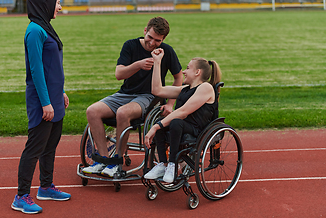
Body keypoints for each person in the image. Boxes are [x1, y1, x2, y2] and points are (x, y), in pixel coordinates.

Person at [83, 17, 183, 177]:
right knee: (92, 111)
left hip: (149, 97)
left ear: (163, 39)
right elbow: (118, 74)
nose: (152, 43)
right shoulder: (130, 45)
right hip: (125, 93)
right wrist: (138, 65)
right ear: (145, 31)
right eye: (150, 37)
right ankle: (102, 160)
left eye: (157, 40)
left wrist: (170, 104)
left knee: (123, 113)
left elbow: (179, 77)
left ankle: (117, 162)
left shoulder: (167, 51)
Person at [11, 0, 71, 214]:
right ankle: (21, 196)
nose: (60, 6)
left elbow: (52, 67)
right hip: (41, 100)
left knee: (50, 146)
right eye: (57, 2)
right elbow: (36, 70)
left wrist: (60, 92)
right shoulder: (35, 30)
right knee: (35, 147)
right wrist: (46, 102)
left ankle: (46, 187)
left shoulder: (46, 28)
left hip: (54, 96)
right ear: (46, 3)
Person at [144, 48, 222, 183]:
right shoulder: (185, 90)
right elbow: (157, 90)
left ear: (198, 72)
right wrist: (157, 62)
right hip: (181, 126)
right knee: (164, 121)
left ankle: (173, 164)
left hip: (198, 131)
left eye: (187, 68)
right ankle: (163, 164)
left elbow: (183, 111)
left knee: (174, 121)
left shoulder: (206, 88)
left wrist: (155, 127)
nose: (184, 72)